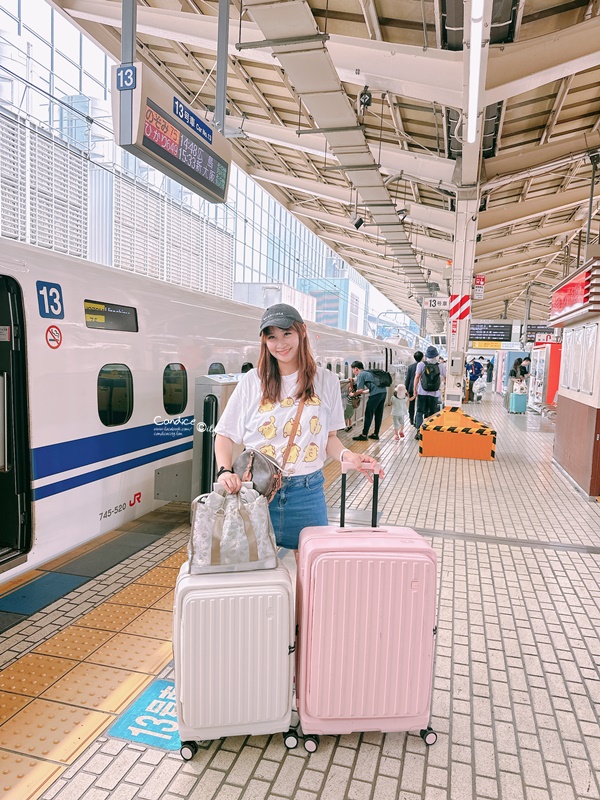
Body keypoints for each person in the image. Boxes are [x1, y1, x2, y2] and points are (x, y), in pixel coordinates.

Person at [214, 304, 384, 551]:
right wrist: (224, 471)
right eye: (271, 336)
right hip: (256, 491)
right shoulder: (253, 381)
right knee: (255, 569)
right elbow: (225, 435)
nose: (280, 344)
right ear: (264, 341)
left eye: (286, 334)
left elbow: (329, 438)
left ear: (302, 332)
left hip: (308, 492)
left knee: (312, 570)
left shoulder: (326, 380)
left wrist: (348, 456)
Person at [412, 345, 446, 439]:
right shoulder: (441, 366)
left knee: (419, 412)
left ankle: (419, 431)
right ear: (436, 356)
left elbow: (417, 377)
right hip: (434, 394)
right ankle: (428, 432)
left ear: (426, 355)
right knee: (432, 413)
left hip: (422, 393)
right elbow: (446, 378)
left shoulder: (421, 364)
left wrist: (415, 390)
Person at [350, 361, 388, 441]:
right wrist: (363, 392)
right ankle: (375, 434)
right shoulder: (368, 372)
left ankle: (364, 435)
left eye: (352, 370)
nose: (352, 372)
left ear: (356, 369)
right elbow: (372, 387)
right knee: (378, 414)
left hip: (376, 395)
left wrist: (353, 394)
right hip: (383, 393)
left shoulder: (361, 375)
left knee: (368, 414)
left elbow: (360, 390)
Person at [404, 351, 423, 427]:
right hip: (421, 388)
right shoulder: (423, 365)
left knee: (411, 404)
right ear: (422, 357)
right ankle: (416, 420)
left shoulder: (411, 367)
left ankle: (411, 419)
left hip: (411, 387)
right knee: (419, 405)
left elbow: (407, 379)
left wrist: (406, 389)